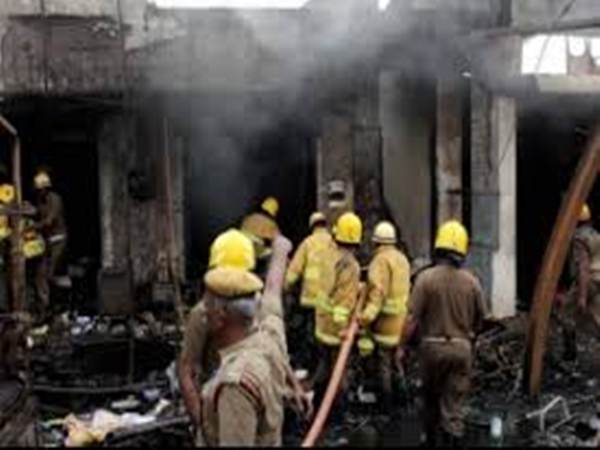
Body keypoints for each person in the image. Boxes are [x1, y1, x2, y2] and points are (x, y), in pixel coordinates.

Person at [179, 229, 310, 446]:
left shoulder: (235, 383)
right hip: (220, 395)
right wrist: (202, 422)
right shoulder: (205, 315)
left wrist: (294, 385)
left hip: (238, 392)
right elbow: (187, 370)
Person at [398, 220, 487, 447]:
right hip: (461, 348)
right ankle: (452, 439)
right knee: (454, 406)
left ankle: (430, 439)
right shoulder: (472, 282)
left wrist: (401, 347)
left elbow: (411, 318)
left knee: (430, 400)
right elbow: (481, 319)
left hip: (432, 348)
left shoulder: (425, 279)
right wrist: (470, 337)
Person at [358, 221, 410, 414]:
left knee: (384, 364)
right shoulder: (402, 259)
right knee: (397, 362)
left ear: (376, 242)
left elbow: (378, 294)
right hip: (401, 323)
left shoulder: (379, 262)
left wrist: (364, 319)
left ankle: (385, 405)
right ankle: (404, 400)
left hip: (385, 325)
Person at [310, 212, 362, 401]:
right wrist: (344, 330)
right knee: (339, 372)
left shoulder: (327, 256)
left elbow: (329, 290)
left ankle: (314, 401)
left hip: (321, 325)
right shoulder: (350, 266)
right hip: (336, 331)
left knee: (323, 366)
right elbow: (343, 302)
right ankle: (339, 410)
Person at [559, 203, 600, 361]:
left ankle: (569, 353)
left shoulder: (579, 238)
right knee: (597, 317)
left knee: (565, 315)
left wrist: (582, 296)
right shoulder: (595, 234)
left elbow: (583, 266)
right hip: (598, 280)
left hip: (588, 282)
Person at [32, 171, 67, 316]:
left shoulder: (55, 199)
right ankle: (45, 307)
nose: (39, 192)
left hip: (58, 239)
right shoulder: (40, 201)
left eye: (40, 190)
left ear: (46, 188)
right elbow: (38, 214)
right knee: (40, 275)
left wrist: (32, 226)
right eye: (37, 190)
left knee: (48, 274)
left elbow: (49, 221)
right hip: (46, 241)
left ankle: (55, 305)